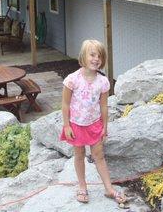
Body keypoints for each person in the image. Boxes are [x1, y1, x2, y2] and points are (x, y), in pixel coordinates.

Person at [60, 39, 127, 207]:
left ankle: (108, 188)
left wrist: (105, 126)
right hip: (76, 125)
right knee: (79, 155)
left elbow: (104, 105)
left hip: (94, 125)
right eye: (92, 55)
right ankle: (82, 186)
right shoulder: (72, 80)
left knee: (99, 156)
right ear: (83, 56)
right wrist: (66, 125)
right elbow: (65, 104)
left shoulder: (103, 82)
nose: (96, 59)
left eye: (99, 56)